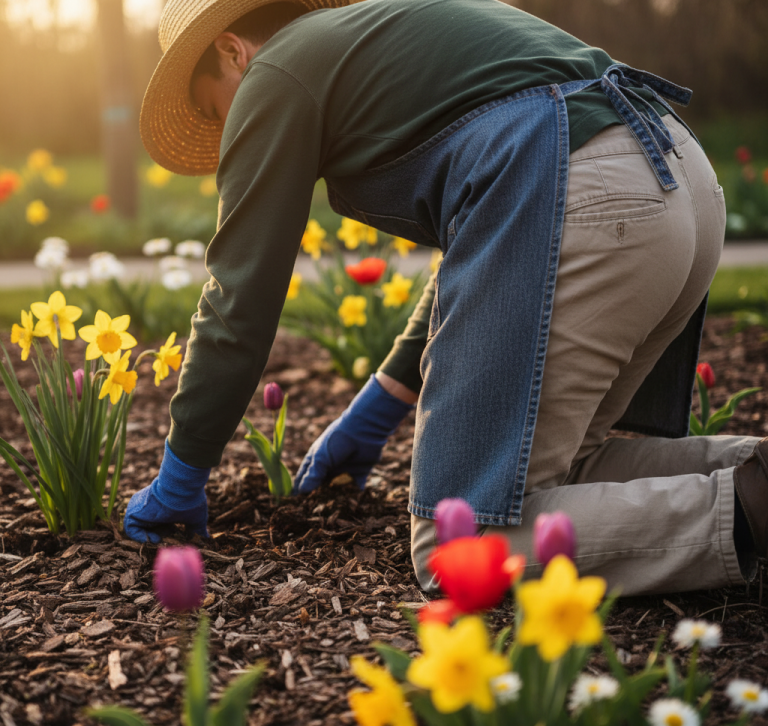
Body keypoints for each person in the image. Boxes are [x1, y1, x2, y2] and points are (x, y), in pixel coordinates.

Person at [126, 0, 767, 596]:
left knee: (460, 539)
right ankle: (754, 474)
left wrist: (182, 475)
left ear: (233, 52)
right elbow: (485, 248)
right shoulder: (374, 36)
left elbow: (241, 293)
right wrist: (376, 409)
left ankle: (751, 515)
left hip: (587, 192)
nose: (227, 133)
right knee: (554, 474)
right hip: (678, 172)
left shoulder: (274, 71)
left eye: (217, 112)